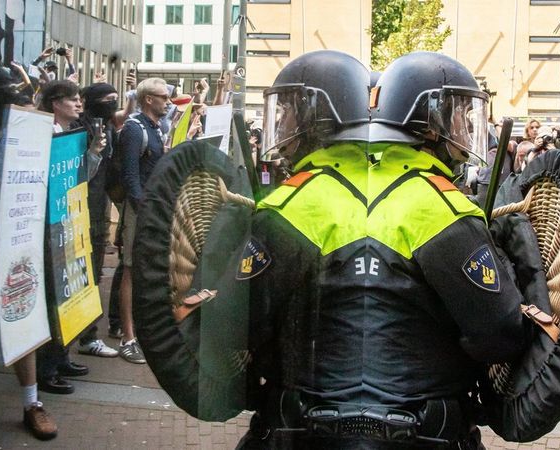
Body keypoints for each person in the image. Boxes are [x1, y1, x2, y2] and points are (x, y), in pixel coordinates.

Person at [239, 50, 530, 449]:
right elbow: (501, 332)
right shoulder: (441, 206)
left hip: (297, 428)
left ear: (313, 119)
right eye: (461, 114)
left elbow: (234, 323)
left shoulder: (291, 204)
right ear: (432, 123)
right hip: (428, 431)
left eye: (285, 112)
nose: (466, 128)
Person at [0, 66, 57, 440]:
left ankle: (32, 403)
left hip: (14, 247)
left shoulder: (24, 128)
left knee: (23, 327)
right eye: (2, 99)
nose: (8, 106)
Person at [34, 80, 94, 395]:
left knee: (68, 293)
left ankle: (61, 357)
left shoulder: (69, 135)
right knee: (51, 299)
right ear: (55, 103)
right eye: (72, 99)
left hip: (69, 220)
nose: (79, 105)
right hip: (49, 225)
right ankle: (46, 369)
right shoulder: (41, 133)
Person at [115, 77, 169, 364]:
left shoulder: (153, 128)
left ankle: (134, 332)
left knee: (142, 270)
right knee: (130, 270)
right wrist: (143, 209)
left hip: (149, 210)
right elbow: (130, 177)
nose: (168, 100)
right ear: (148, 99)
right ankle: (128, 337)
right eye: (162, 96)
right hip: (140, 211)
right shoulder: (135, 130)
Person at [71, 82, 121, 358]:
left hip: (98, 211)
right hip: (79, 212)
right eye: (107, 99)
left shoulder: (108, 128)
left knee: (93, 274)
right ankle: (81, 337)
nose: (112, 103)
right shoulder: (80, 129)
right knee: (81, 275)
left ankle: (87, 336)